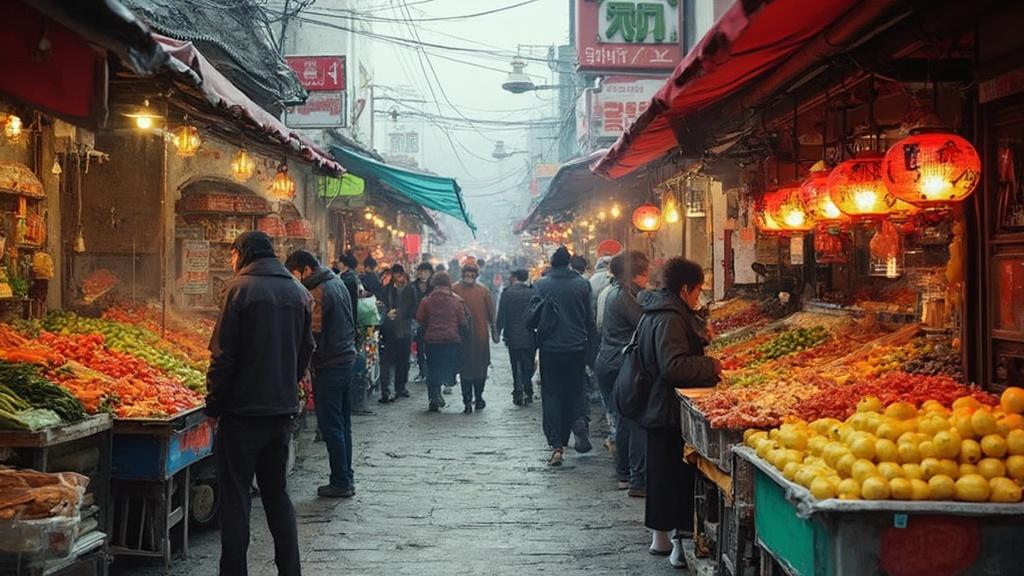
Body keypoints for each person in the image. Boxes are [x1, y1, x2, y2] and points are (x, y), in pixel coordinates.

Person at [206, 231, 314, 576]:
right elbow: (306, 351)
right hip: (280, 413)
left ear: (242, 253)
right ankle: (290, 570)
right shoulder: (299, 292)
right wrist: (287, 384)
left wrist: (213, 405)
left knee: (236, 501)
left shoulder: (238, 289)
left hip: (241, 415)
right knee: (277, 495)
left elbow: (223, 357)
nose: (231, 261)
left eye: (232, 254)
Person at [636, 258, 721, 568]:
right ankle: (677, 543)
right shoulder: (671, 317)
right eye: (698, 291)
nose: (699, 298)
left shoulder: (657, 310)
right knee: (674, 475)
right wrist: (712, 366)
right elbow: (674, 367)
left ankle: (660, 537)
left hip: (656, 404)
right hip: (668, 406)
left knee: (660, 473)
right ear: (685, 288)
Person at [284, 250, 358, 498]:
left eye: (295, 274)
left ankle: (340, 481)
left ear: (305, 269)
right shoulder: (336, 282)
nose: (296, 281)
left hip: (330, 364)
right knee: (343, 423)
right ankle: (346, 476)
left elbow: (313, 336)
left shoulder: (318, 291)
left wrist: (301, 365)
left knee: (332, 425)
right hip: (346, 358)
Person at [529, 246, 596, 467]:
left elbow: (532, 318)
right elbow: (589, 318)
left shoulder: (541, 284)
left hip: (550, 349)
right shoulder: (582, 284)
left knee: (552, 394)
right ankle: (578, 422)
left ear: (552, 262)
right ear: (569, 262)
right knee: (576, 390)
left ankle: (557, 444)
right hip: (576, 347)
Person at [594, 251, 650, 497]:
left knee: (622, 418)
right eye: (645, 273)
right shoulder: (625, 296)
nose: (648, 277)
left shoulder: (613, 292)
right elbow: (645, 325)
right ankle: (634, 478)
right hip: (621, 364)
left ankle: (625, 472)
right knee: (633, 420)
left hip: (609, 360)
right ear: (635, 275)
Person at [415, 272, 467, 412]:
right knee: (448, 365)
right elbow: (462, 321)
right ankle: (447, 382)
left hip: (432, 341)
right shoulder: (457, 301)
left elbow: (419, 318)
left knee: (432, 368)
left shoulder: (426, 300)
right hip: (451, 340)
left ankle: (434, 396)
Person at [453, 263, 497, 413]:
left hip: (479, 337)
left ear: (476, 276)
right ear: (463, 274)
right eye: (467, 274)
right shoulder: (455, 290)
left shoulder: (483, 291)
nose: (469, 277)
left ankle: (478, 397)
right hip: (463, 336)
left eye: (472, 274)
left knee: (479, 369)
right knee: (466, 369)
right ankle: (467, 400)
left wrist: (494, 330)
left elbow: (491, 314)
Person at [496, 269, 535, 406]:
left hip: (512, 333)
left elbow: (501, 313)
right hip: (530, 334)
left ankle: (518, 390)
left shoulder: (508, 292)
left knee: (515, 363)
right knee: (528, 364)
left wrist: (498, 329)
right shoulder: (533, 292)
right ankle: (528, 389)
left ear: (515, 277)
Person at [378, 264, 411, 403]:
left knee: (403, 361)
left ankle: (400, 387)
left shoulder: (409, 290)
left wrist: (399, 314)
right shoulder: (387, 290)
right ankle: (386, 390)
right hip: (389, 331)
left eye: (400, 274)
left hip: (404, 330)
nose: (398, 277)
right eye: (396, 274)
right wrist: (387, 314)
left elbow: (413, 309)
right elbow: (381, 306)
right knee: (387, 361)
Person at [403, 262, 434, 383]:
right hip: (416, 321)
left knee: (430, 348)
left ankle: (430, 372)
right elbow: (406, 304)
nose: (424, 274)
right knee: (419, 347)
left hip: (431, 322)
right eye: (422, 271)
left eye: (427, 272)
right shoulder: (411, 287)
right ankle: (422, 371)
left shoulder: (434, 287)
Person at [337, 252, 362, 337]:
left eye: (339, 262)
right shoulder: (352, 276)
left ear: (343, 264)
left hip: (347, 317)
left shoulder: (347, 278)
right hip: (351, 316)